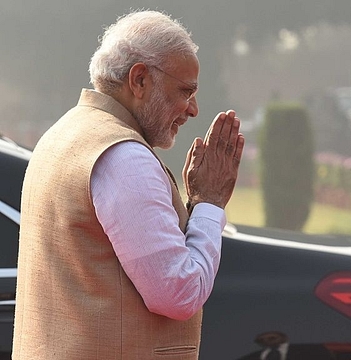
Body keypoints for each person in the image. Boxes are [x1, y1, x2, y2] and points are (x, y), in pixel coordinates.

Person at [13, 10, 244, 359]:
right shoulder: (124, 158)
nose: (193, 109)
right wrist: (209, 202)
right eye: (186, 91)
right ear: (139, 80)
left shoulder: (63, 133)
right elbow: (178, 293)